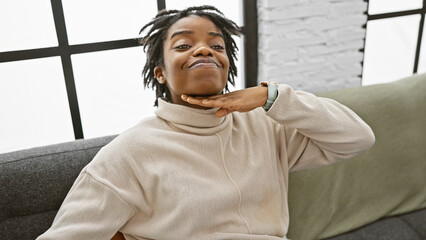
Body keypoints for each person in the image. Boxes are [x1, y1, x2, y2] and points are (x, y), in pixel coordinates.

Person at [37, 5, 375, 240]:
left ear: (227, 65)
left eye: (217, 45)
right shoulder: (130, 153)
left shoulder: (265, 126)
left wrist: (271, 97)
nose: (204, 51)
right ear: (160, 73)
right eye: (184, 44)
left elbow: (357, 138)